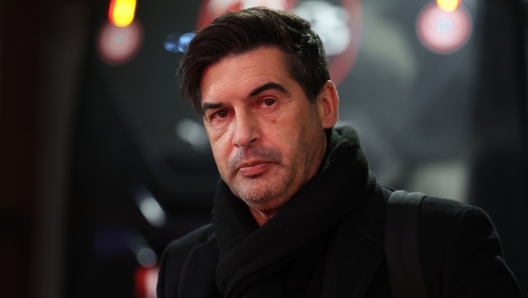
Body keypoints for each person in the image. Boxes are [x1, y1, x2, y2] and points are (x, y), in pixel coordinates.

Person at [157, 7, 522, 298]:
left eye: (267, 102)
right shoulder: (183, 265)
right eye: (220, 114)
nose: (242, 136)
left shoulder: (441, 242)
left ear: (326, 105)